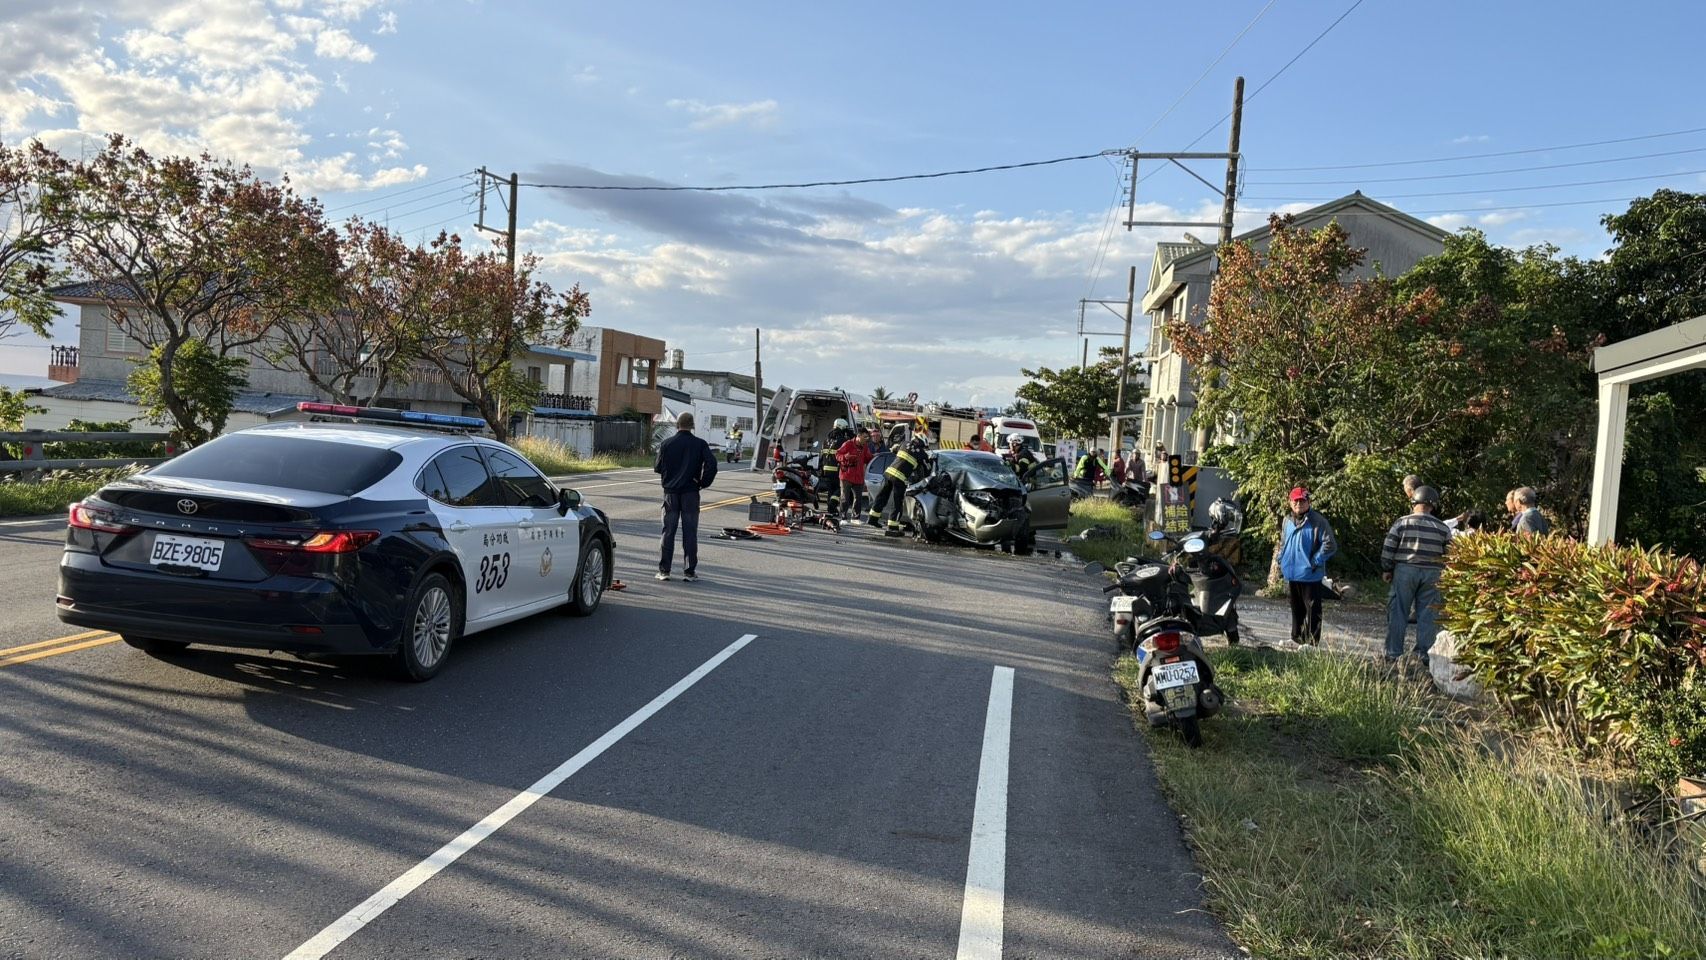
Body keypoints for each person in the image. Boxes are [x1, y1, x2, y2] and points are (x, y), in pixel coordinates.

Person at [1380, 485, 1452, 665]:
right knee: (1428, 615)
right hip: (1433, 573)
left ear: (1414, 502)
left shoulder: (1402, 522)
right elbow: (1450, 554)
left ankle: (1393, 653)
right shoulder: (1442, 528)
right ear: (1433, 505)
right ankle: (1424, 654)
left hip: (1405, 570)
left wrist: (1387, 569)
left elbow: (1389, 547)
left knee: (1398, 611)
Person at [653, 411, 718, 582]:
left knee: (668, 531)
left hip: (670, 493)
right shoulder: (700, 444)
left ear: (677, 425)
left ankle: (664, 571)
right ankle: (689, 571)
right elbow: (712, 464)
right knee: (690, 532)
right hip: (690, 493)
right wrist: (703, 482)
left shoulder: (666, 444)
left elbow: (657, 467)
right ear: (692, 426)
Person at [1279, 486, 1337, 645]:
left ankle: (1312, 643)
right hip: (1292, 573)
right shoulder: (1287, 520)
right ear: (1290, 502)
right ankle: (1296, 638)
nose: (1298, 504)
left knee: (1312, 609)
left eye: (1302, 501)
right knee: (1296, 608)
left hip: (1310, 574)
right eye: (1295, 500)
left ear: (1308, 502)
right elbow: (1283, 543)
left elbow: (1330, 545)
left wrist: (1315, 561)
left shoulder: (1318, 521)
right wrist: (1281, 559)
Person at [869, 428, 930, 536]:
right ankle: (892, 528)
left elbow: (893, 449)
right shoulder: (921, 453)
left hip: (888, 474)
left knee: (882, 497)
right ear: (923, 443)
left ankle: (872, 519)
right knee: (897, 503)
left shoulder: (904, 443)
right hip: (900, 478)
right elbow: (927, 469)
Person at [818, 418, 855, 517]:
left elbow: (822, 456)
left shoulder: (826, 440)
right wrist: (851, 436)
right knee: (839, 489)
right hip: (837, 470)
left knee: (831, 490)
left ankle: (831, 509)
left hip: (826, 470)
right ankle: (832, 504)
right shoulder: (843, 441)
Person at [837, 427, 875, 521]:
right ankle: (843, 517)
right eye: (864, 437)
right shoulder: (848, 444)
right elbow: (837, 454)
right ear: (858, 436)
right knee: (845, 498)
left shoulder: (865, 447)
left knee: (858, 498)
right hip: (846, 475)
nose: (866, 439)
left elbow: (868, 458)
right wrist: (845, 457)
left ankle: (855, 518)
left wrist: (875, 457)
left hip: (858, 476)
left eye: (867, 437)